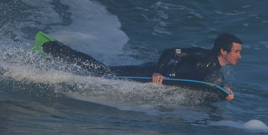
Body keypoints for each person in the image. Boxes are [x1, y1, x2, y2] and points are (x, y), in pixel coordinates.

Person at [35, 32, 243, 100]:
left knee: (102, 73)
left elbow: (211, 85)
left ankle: (54, 50)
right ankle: (51, 47)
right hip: (148, 72)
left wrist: (224, 92)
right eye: (236, 51)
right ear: (223, 51)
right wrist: (158, 72)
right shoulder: (201, 54)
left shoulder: (217, 72)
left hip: (156, 76)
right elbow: (170, 52)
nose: (239, 56)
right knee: (103, 73)